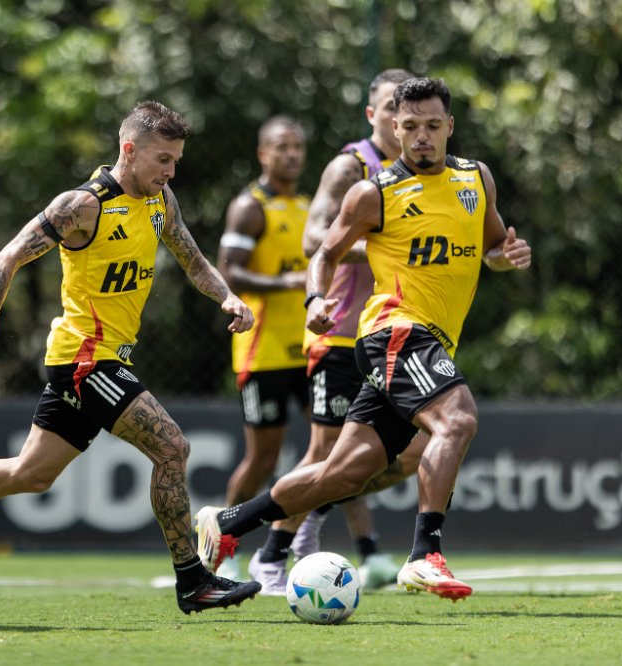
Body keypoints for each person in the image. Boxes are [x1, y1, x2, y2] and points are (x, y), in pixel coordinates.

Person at [0, 101, 263, 615]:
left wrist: (226, 296)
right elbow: (7, 256)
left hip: (104, 359)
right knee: (172, 447)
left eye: (176, 161)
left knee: (30, 473)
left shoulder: (162, 201)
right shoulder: (83, 205)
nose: (170, 171)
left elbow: (193, 258)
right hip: (85, 361)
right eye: (163, 159)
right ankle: (193, 580)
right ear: (129, 149)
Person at [196, 77, 532, 602]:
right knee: (458, 419)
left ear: (450, 127)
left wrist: (504, 257)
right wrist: (315, 301)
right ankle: (424, 556)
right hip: (394, 330)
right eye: (411, 127)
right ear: (393, 127)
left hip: (431, 337)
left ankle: (232, 521)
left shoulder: (476, 178)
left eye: (433, 126)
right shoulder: (373, 192)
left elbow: (491, 244)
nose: (422, 136)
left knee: (341, 474)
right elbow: (323, 253)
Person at [244, 70, 431, 595]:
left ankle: (308, 520)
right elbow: (312, 241)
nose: (406, 119)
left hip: (395, 333)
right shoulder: (352, 167)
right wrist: (383, 245)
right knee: (326, 454)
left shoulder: (426, 176)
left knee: (413, 451)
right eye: (394, 107)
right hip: (340, 333)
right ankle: (269, 555)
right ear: (376, 116)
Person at [214, 116, 309, 578]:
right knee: (263, 459)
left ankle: (343, 549)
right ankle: (221, 550)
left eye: (297, 147)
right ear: (263, 154)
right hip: (264, 350)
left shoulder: (312, 207)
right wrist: (287, 281)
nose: (291, 154)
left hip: (312, 349)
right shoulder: (249, 208)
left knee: (332, 452)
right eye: (281, 146)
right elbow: (227, 272)